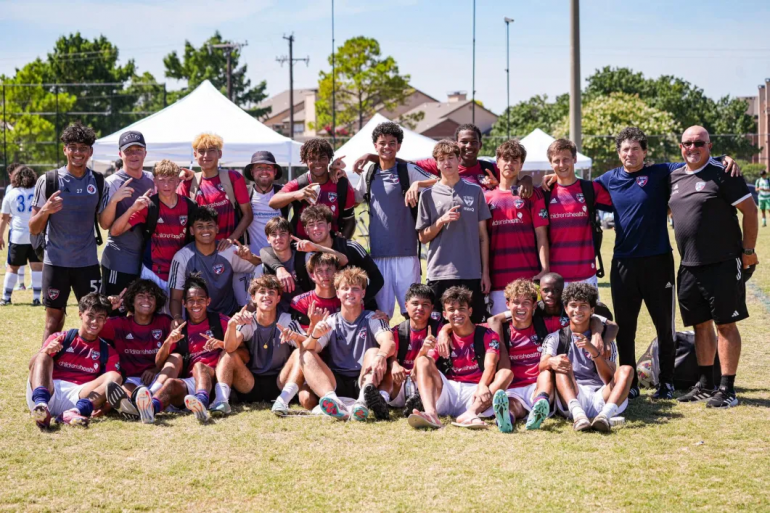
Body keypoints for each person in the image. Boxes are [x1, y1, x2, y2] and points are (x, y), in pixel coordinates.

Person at [591, 127, 741, 399]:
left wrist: (725, 156)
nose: (630, 153)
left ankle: (667, 382)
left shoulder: (661, 172)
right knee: (626, 326)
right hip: (624, 263)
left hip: (658, 261)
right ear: (618, 153)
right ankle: (631, 382)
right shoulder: (608, 179)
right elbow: (577, 187)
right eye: (625, 149)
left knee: (664, 326)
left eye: (636, 148)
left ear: (645, 152)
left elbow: (696, 159)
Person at [669, 126, 758, 408]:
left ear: (709, 145)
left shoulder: (724, 172)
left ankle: (727, 388)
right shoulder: (674, 175)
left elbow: (751, 212)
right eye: (687, 143)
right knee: (700, 326)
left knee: (726, 324)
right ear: (680, 147)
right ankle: (705, 384)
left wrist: (748, 251)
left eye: (699, 143)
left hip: (722, 262)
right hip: (689, 265)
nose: (692, 148)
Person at [29, 122, 108, 343]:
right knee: (53, 322)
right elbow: (33, 227)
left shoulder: (99, 181)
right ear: (65, 149)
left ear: (90, 151)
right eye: (72, 147)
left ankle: (90, 366)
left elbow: (105, 223)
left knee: (94, 319)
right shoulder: (49, 180)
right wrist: (45, 210)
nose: (77, 152)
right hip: (56, 263)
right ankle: (42, 369)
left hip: (88, 264)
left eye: (83, 148)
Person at [351, 121, 436, 318]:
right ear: (375, 146)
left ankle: (414, 348)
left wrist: (418, 185)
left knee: (413, 313)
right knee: (381, 314)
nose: (387, 147)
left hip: (406, 254)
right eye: (382, 143)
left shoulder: (408, 171)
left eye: (392, 143)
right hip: (379, 256)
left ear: (398, 146)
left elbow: (442, 181)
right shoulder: (369, 174)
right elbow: (354, 199)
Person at [297, 267, 396, 421]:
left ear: (363, 293)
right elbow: (310, 348)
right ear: (338, 293)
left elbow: (389, 341)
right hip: (337, 380)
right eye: (345, 288)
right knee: (306, 354)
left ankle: (362, 403)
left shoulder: (373, 318)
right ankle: (336, 403)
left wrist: (382, 355)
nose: (350, 293)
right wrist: (314, 335)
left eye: (355, 289)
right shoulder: (331, 321)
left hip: (364, 378)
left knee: (374, 351)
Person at [137, 274, 230, 423]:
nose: (196, 305)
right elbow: (159, 363)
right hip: (192, 382)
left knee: (200, 366)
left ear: (208, 301)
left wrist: (221, 344)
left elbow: (242, 352)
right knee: (171, 383)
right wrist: (168, 341)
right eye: (191, 301)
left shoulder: (220, 321)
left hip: (216, 379)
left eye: (200, 300)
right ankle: (150, 409)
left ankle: (202, 402)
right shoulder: (182, 328)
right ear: (184, 303)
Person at [416, 140, 492, 323]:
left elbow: (483, 237)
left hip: (471, 272)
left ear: (459, 159)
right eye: (441, 159)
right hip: (439, 273)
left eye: (451, 157)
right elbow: (423, 237)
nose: (447, 163)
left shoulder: (475, 192)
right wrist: (441, 221)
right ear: (436, 163)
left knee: (474, 326)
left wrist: (485, 273)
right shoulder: (428, 195)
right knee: (439, 327)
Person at [408, 286, 503, 429]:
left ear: (470, 311)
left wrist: (483, 385)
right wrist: (423, 350)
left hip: (476, 391)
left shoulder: (487, 334)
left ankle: (471, 413)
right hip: (450, 391)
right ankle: (431, 414)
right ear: (445, 314)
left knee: (504, 375)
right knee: (423, 360)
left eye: (462, 309)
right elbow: (417, 370)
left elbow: (491, 365)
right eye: (452, 310)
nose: (457, 313)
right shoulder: (443, 337)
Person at [543, 283, 633, 433]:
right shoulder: (555, 338)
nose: (578, 310)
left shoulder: (605, 341)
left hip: (603, 396)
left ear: (592, 310)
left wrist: (594, 352)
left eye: (583, 306)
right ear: (566, 308)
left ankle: (604, 416)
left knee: (627, 369)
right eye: (573, 305)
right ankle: (579, 417)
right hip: (574, 395)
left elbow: (610, 378)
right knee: (561, 365)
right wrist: (552, 361)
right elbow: (542, 365)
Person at [213, 275, 307, 416]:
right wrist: (232, 325)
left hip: (280, 383)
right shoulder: (247, 320)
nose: (266, 296)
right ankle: (221, 401)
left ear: (278, 298)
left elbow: (308, 346)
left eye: (271, 292)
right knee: (228, 355)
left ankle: (282, 402)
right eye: (262, 292)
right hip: (250, 383)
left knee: (301, 353)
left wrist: (295, 337)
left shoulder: (286, 319)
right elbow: (230, 347)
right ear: (253, 297)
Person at [27, 293, 122, 429]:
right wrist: (46, 351)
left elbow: (109, 387)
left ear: (105, 320)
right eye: (90, 316)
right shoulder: (61, 338)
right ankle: (41, 408)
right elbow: (32, 366)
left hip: (78, 396)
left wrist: (105, 408)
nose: (94, 322)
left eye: (100, 318)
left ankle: (74, 413)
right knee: (42, 355)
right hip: (48, 390)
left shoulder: (108, 351)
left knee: (115, 376)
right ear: (80, 314)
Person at [262, 205, 384, 311]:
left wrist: (362, 300)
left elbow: (378, 279)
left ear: (329, 226)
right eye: (311, 225)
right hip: (321, 309)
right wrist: (279, 268)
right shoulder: (302, 247)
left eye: (320, 223)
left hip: (357, 306)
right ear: (306, 230)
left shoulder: (350, 247)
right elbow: (265, 251)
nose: (316, 229)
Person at [110, 159, 198, 296]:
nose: (166, 185)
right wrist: (132, 209)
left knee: (177, 315)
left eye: (171, 180)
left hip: (180, 271)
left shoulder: (190, 205)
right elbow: (115, 231)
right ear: (155, 182)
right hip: (152, 272)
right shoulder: (148, 205)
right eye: (162, 180)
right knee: (150, 314)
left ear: (177, 181)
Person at [485, 139, 549, 315]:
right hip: (497, 281)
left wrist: (545, 269)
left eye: (515, 160)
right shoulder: (485, 197)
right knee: (499, 334)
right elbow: (483, 239)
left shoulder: (533, 195)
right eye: (505, 159)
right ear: (497, 162)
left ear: (521, 165)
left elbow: (541, 236)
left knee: (530, 334)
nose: (509, 164)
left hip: (529, 278)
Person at [99, 279, 179, 419]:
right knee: (124, 389)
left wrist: (155, 370)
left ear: (157, 301)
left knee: (176, 358)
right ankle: (135, 406)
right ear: (132, 300)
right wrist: (108, 309)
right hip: (131, 380)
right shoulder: (118, 323)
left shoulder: (165, 321)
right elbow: (92, 328)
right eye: (141, 296)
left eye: (151, 296)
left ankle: (150, 398)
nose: (146, 300)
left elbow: (172, 353)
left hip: (158, 379)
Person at [542, 138, 612, 290]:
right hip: (554, 277)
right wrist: (526, 180)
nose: (561, 165)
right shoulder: (544, 193)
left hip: (586, 275)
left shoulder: (591, 189)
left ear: (575, 159)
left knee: (586, 314)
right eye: (556, 160)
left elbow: (623, 204)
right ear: (550, 163)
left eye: (566, 159)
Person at [99, 131, 155, 307]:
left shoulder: (152, 180)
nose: (134, 155)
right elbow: (105, 224)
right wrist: (115, 200)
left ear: (145, 153)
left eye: (138, 149)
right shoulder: (111, 182)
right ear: (120, 154)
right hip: (119, 259)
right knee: (114, 310)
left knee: (140, 313)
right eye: (128, 150)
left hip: (146, 260)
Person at [269, 138, 356, 239]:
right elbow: (273, 202)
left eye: (322, 158)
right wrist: (296, 194)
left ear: (329, 159)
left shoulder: (341, 183)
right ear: (305, 161)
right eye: (312, 159)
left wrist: (341, 244)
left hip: (331, 246)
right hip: (302, 246)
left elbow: (350, 220)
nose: (317, 162)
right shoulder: (300, 184)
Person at [178, 133, 253, 247]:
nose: (206, 155)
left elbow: (248, 215)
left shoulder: (233, 178)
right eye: (201, 151)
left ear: (220, 153)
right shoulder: (187, 183)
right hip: (200, 252)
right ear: (195, 154)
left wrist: (231, 240)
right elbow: (174, 213)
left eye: (211, 150)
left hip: (228, 250)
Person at [388, 284, 443, 413]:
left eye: (425, 304)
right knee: (387, 367)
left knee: (424, 364)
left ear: (432, 308)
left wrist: (423, 350)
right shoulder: (398, 330)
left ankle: (419, 401)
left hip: (427, 380)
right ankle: (382, 398)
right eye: (415, 303)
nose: (420, 308)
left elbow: (429, 360)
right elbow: (391, 356)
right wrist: (394, 364)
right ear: (406, 306)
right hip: (402, 381)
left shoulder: (439, 330)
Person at [1, 165, 42, 306]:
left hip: (18, 235)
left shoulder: (11, 194)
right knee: (37, 266)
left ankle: (6, 298)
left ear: (16, 177)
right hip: (35, 234)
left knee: (12, 267)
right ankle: (36, 298)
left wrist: (0, 236)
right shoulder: (38, 191)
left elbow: (4, 218)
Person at [242, 151, 286, 256]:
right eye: (259, 168)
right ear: (252, 172)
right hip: (251, 259)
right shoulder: (244, 194)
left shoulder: (284, 193)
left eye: (268, 168)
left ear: (275, 172)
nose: (264, 171)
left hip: (280, 258)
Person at [259, 217, 306, 312]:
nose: (278, 238)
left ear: (290, 237)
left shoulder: (305, 258)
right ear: (268, 239)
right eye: (273, 234)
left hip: (305, 314)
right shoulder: (262, 267)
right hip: (278, 317)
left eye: (282, 234)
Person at [289, 252, 343, 329]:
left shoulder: (347, 299)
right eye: (319, 271)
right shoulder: (300, 302)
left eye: (329, 269)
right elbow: (299, 340)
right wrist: (313, 324)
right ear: (312, 275)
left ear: (337, 272)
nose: (325, 275)